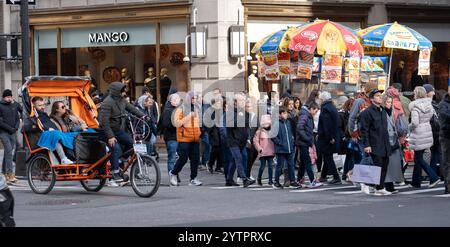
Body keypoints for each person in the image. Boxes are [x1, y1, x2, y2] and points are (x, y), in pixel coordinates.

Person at [98, 82, 146, 184]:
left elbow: (131, 108)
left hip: (118, 130)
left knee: (132, 143)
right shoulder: (107, 102)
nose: (124, 92)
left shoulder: (122, 100)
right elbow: (104, 122)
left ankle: (120, 159)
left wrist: (143, 116)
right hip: (106, 132)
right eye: (122, 90)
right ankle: (114, 173)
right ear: (116, 91)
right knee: (115, 147)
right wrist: (110, 136)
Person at [359, 89, 391, 196]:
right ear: (372, 99)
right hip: (374, 142)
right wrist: (367, 144)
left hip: (384, 142)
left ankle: (380, 187)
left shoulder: (382, 110)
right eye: (377, 96)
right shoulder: (367, 112)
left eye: (380, 95)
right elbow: (364, 130)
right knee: (377, 165)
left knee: (384, 165)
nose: (380, 97)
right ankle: (366, 183)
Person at [169, 91, 203, 186]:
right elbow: (176, 123)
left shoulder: (197, 108)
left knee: (195, 159)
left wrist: (199, 132)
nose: (194, 100)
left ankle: (193, 178)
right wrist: (188, 116)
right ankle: (173, 173)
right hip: (184, 138)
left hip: (195, 138)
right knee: (183, 159)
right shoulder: (180, 109)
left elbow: (198, 122)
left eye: (195, 98)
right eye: (192, 98)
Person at [408, 86, 440, 189]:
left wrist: (409, 128)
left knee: (418, 158)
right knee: (418, 158)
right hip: (427, 131)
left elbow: (415, 122)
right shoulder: (429, 105)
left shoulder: (414, 106)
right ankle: (416, 182)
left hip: (418, 133)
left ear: (416, 94)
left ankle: (433, 176)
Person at [28, 97, 76, 165]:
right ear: (34, 106)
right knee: (55, 134)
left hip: (56, 133)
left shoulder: (45, 114)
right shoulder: (33, 117)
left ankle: (76, 157)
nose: (42, 107)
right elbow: (32, 127)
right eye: (40, 105)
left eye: (43, 105)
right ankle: (63, 158)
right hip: (44, 136)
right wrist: (47, 129)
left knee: (76, 135)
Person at [225, 93, 255, 188]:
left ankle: (229, 179)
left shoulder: (244, 112)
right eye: (241, 100)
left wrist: (248, 138)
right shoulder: (230, 112)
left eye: (244, 100)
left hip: (242, 141)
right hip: (233, 140)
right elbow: (230, 125)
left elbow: (247, 125)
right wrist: (239, 116)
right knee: (239, 158)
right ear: (235, 102)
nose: (243, 102)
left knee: (235, 160)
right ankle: (244, 179)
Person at [317, 91, 342, 185]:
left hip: (327, 137)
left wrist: (330, 137)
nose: (319, 101)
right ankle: (323, 176)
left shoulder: (325, 109)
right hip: (333, 136)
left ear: (322, 99)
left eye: (320, 99)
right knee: (328, 156)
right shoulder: (332, 107)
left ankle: (336, 177)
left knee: (327, 156)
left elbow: (327, 125)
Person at [296, 102, 322, 188]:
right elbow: (300, 128)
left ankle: (299, 179)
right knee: (307, 161)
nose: (315, 112)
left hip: (304, 142)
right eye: (315, 110)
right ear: (311, 109)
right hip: (303, 142)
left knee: (304, 162)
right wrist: (307, 138)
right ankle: (312, 180)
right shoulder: (305, 116)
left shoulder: (308, 116)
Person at [272, 107, 299, 189]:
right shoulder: (276, 123)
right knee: (279, 166)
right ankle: (276, 182)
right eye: (283, 113)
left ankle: (292, 181)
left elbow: (291, 133)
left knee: (291, 165)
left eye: (286, 113)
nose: (286, 115)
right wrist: (280, 143)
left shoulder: (288, 122)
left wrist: (292, 142)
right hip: (281, 149)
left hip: (289, 147)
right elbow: (273, 136)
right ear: (279, 114)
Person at [382, 95, 403, 193]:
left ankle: (389, 184)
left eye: (390, 102)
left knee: (393, 164)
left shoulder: (392, 112)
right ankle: (387, 185)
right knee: (387, 164)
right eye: (387, 102)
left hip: (393, 140)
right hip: (386, 140)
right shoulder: (381, 112)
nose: (389, 104)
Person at [0, 90, 21, 184]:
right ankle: (10, 173)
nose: (9, 98)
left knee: (8, 152)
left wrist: (15, 128)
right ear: (3, 97)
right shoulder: (0, 105)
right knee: (9, 151)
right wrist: (10, 128)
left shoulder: (14, 105)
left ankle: (4, 172)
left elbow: (18, 117)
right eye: (7, 97)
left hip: (13, 132)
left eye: (10, 97)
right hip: (3, 132)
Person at [161, 93, 180, 183]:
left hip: (179, 137)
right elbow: (165, 123)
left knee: (178, 157)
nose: (177, 101)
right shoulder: (167, 110)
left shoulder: (179, 109)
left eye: (178, 99)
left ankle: (175, 174)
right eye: (175, 100)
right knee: (172, 157)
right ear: (171, 101)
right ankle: (172, 176)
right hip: (171, 137)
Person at [424, 84, 442, 178]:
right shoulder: (430, 104)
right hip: (433, 132)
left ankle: (433, 174)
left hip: (431, 132)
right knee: (436, 153)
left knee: (435, 153)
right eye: (432, 91)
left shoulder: (432, 103)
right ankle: (434, 174)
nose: (434, 93)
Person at [253, 114, 275, 186]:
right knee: (262, 166)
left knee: (270, 166)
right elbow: (255, 141)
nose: (267, 125)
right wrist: (259, 149)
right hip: (263, 152)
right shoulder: (259, 131)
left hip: (271, 151)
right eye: (265, 123)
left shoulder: (272, 131)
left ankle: (271, 180)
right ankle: (259, 178)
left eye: (268, 123)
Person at [438, 86, 450, 194]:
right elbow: (445, 117)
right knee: (447, 161)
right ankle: (448, 185)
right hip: (446, 136)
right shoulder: (443, 104)